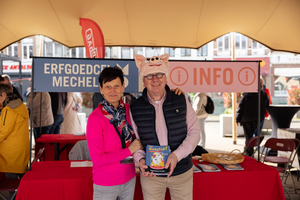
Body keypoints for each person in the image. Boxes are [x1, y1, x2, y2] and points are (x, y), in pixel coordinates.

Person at [130, 54, 200, 200]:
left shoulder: (181, 99)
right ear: (143, 80)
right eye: (149, 76)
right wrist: (141, 159)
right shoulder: (135, 108)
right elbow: (133, 140)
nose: (155, 79)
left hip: (182, 173)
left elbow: (194, 133)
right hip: (152, 176)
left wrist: (176, 155)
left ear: (166, 78)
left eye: (160, 74)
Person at [86, 67, 143, 200]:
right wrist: (129, 151)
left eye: (117, 86)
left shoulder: (130, 110)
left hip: (129, 179)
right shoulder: (95, 119)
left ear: (123, 87)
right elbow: (98, 159)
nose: (113, 90)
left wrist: (173, 94)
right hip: (106, 183)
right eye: (108, 86)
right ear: (101, 89)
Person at [0, 83, 29, 199]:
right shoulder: (20, 105)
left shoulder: (9, 110)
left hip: (10, 154)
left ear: (3, 94)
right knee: (21, 182)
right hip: (19, 151)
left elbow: (3, 131)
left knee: (12, 186)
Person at [236, 77, 270, 156]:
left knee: (248, 135)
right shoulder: (263, 94)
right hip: (258, 118)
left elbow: (240, 107)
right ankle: (250, 150)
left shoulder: (246, 94)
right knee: (256, 135)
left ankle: (249, 151)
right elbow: (267, 105)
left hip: (246, 118)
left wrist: (237, 118)